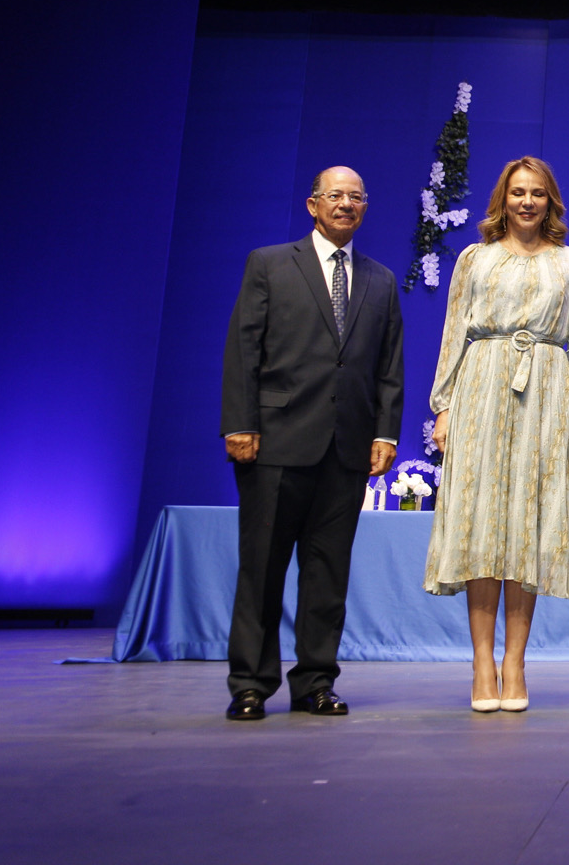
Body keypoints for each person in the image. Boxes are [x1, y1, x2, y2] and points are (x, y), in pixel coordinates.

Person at [221, 166, 404, 721]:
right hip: (274, 443)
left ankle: (315, 682)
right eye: (335, 196)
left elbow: (389, 366)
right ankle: (251, 685)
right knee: (262, 569)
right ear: (313, 204)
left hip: (346, 449)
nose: (346, 204)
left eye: (356, 197)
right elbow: (243, 349)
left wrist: (385, 431)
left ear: (365, 208)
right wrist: (239, 423)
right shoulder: (270, 263)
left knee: (328, 574)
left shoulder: (380, 280)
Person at [424, 157, 569, 712]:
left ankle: (515, 663)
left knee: (528, 527)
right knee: (480, 525)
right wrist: (444, 406)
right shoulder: (475, 258)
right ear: (503, 199)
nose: (527, 201)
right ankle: (482, 663)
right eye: (518, 192)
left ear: (551, 202)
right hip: (481, 387)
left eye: (537, 193)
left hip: (545, 391)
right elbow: (454, 333)